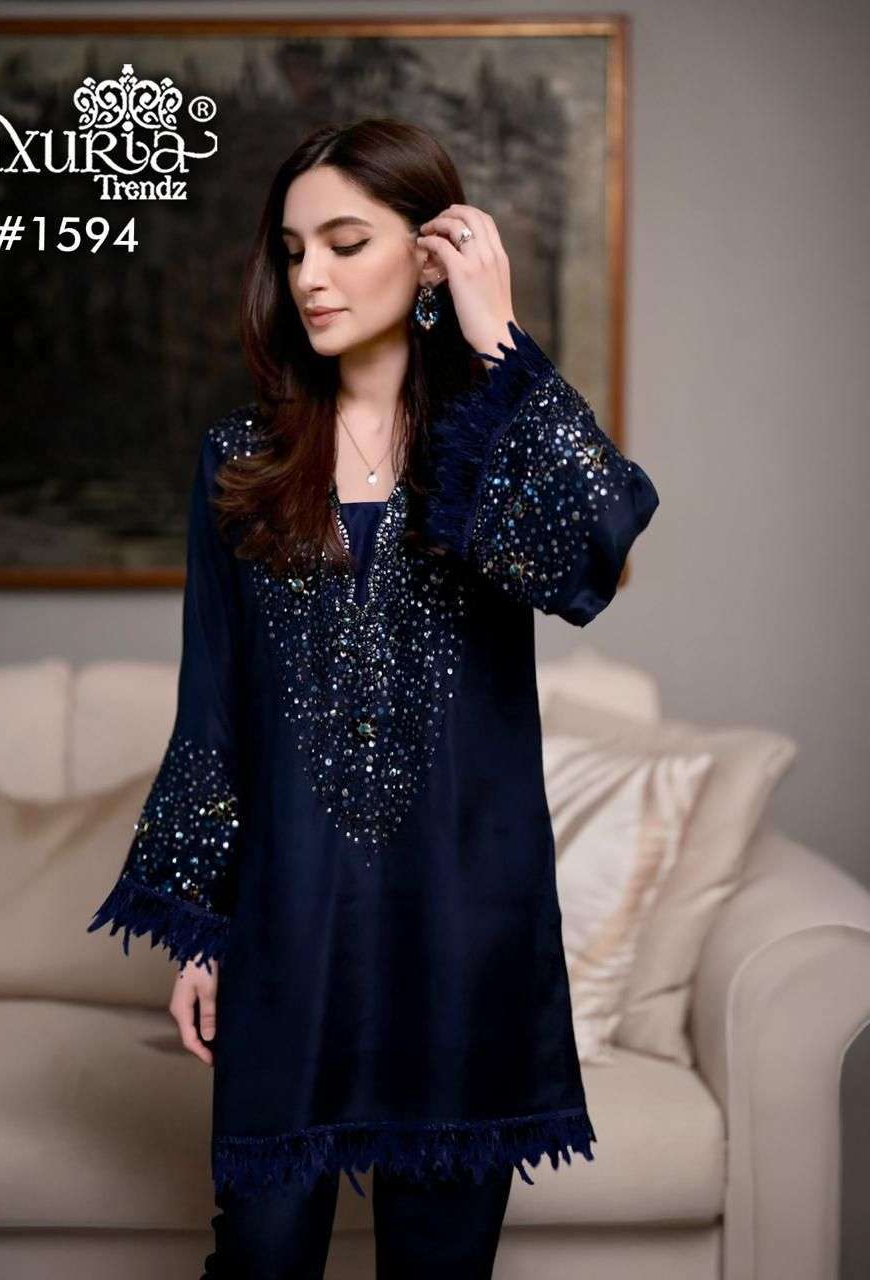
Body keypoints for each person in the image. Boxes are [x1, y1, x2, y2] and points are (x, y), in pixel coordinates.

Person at [87, 117, 660, 1279]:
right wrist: (200, 932)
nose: (311, 275)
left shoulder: (485, 446)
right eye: (293, 249)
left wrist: (498, 339)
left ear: (431, 251)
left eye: (345, 243)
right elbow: (214, 708)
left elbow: (596, 547)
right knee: (259, 1253)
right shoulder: (241, 458)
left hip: (462, 929)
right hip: (288, 930)